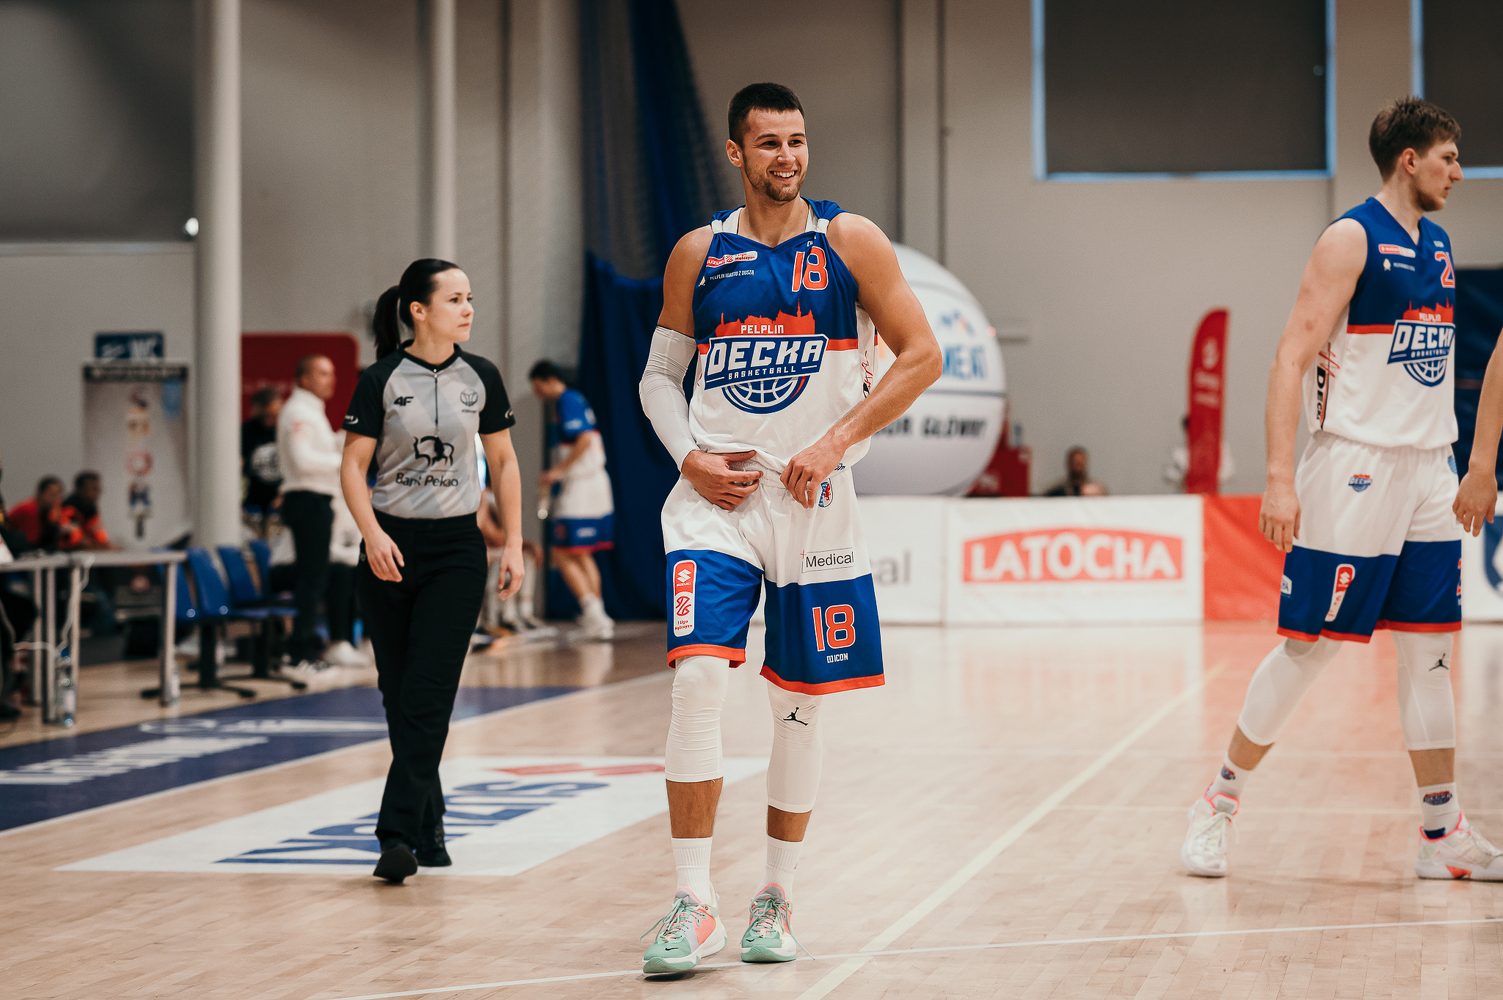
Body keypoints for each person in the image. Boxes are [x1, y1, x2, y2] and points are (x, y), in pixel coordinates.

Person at [636, 82, 942, 973]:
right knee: (698, 680)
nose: (787, 157)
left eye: (797, 141)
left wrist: (835, 441)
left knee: (798, 705)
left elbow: (922, 356)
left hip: (816, 502)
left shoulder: (849, 241)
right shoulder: (700, 252)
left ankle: (775, 895)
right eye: (768, 143)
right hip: (715, 501)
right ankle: (693, 902)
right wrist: (687, 456)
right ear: (736, 152)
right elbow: (658, 377)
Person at [1180, 97, 1503, 881]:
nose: (1458, 172)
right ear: (1407, 160)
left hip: (1427, 467)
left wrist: (1473, 464)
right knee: (1310, 647)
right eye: (1447, 158)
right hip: (1353, 464)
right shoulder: (1348, 238)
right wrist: (1278, 476)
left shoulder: (1439, 244)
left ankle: (1440, 834)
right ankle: (1216, 803)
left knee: (1429, 655)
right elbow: (1288, 358)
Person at [341, 258, 524, 884]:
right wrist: (372, 535)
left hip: (456, 553)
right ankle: (430, 823)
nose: (468, 309)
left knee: (428, 693)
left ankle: (394, 833)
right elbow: (352, 467)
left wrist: (514, 542)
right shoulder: (380, 379)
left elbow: (504, 463)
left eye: (470, 298)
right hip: (388, 549)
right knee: (400, 696)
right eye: (454, 299)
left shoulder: (483, 376)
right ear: (418, 311)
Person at [529, 360, 615, 639]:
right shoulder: (575, 399)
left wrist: (558, 471)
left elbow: (585, 439)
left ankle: (593, 612)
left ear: (548, 380)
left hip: (581, 484)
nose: (536, 393)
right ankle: (598, 618)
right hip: (594, 482)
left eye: (537, 386)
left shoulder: (567, 400)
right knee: (582, 552)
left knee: (561, 552)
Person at [277, 355, 343, 673]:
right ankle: (300, 652)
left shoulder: (313, 412)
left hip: (315, 500)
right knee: (311, 579)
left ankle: (306, 646)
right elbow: (303, 461)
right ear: (304, 379)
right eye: (323, 373)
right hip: (306, 499)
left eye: (332, 373)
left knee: (316, 577)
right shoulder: (299, 412)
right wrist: (343, 462)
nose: (331, 380)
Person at [242, 386, 284, 523]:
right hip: (253, 500)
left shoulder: (286, 430)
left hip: (281, 501)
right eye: (269, 415)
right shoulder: (247, 431)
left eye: (277, 415)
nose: (274, 420)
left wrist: (284, 495)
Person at [1163, 415, 1235, 491]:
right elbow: (1168, 475)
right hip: (1185, 493)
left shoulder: (1219, 446)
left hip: (1211, 494)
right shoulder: (1177, 451)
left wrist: (1208, 475)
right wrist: (1185, 476)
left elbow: (1229, 471)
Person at [57, 472, 114, 550]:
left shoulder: (91, 509)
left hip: (82, 553)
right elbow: (76, 539)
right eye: (93, 489)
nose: (96, 493)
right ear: (80, 490)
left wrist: (104, 545)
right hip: (61, 554)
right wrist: (98, 545)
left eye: (98, 489)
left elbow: (98, 535)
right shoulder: (67, 508)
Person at [7, 476, 64, 551]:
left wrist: (55, 523)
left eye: (58, 495)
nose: (56, 499)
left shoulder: (47, 511)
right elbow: (32, 543)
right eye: (52, 495)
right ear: (40, 493)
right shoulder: (30, 509)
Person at [1043, 446, 1107, 496]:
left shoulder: (1098, 489)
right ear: (1068, 464)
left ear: (1085, 464)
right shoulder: (1057, 489)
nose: (1077, 467)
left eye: (1080, 463)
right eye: (1074, 463)